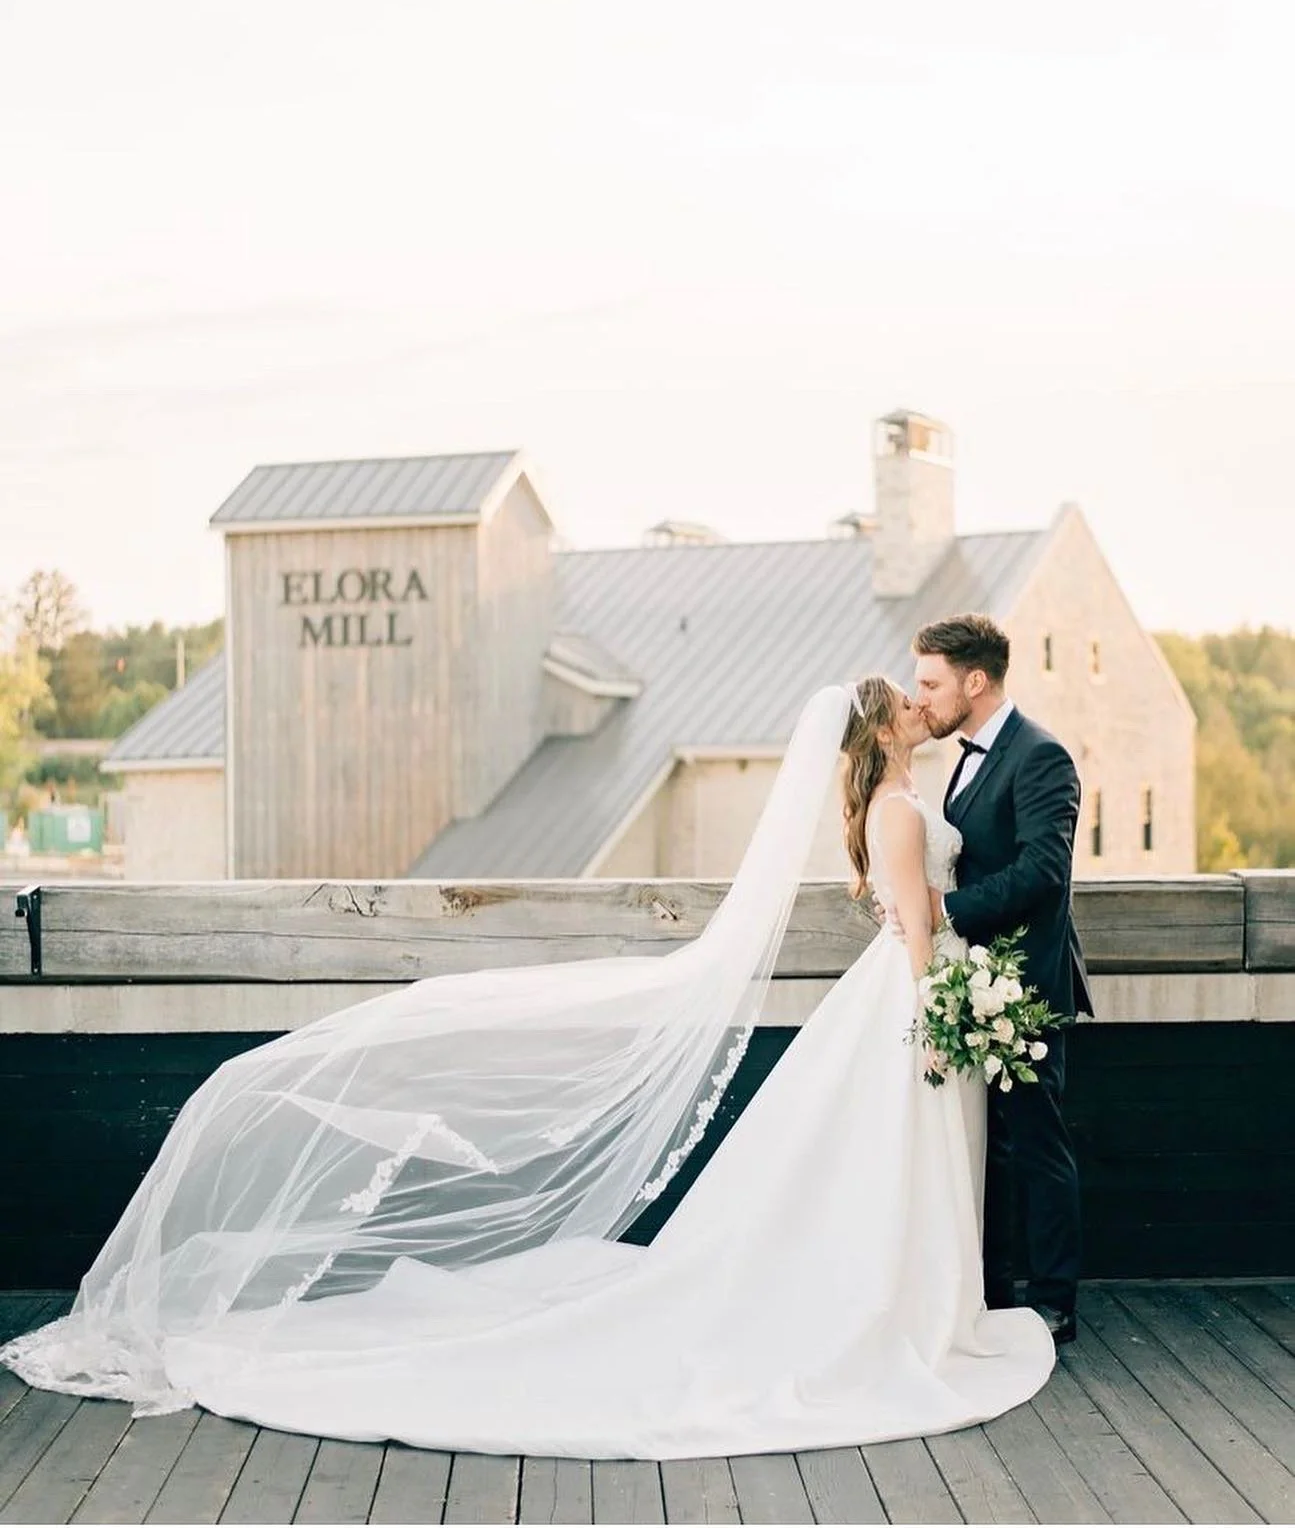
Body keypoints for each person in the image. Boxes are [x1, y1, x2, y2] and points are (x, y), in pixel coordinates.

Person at [1, 678, 1053, 1459]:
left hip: (903, 1000)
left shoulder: (895, 803)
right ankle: (903, 1315)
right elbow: (914, 926)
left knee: (877, 1174)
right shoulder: (900, 809)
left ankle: (910, 1303)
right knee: (889, 1168)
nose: (922, 707)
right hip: (911, 1003)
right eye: (906, 703)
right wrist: (941, 1012)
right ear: (878, 730)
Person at [907, 614, 1094, 1345]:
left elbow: (1043, 871)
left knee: (1036, 1143)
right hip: (976, 980)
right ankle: (989, 1289)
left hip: (1028, 985)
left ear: (973, 680)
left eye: (930, 682)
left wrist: (943, 908)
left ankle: (1053, 1302)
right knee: (993, 1146)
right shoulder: (967, 754)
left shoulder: (1040, 756)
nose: (919, 697)